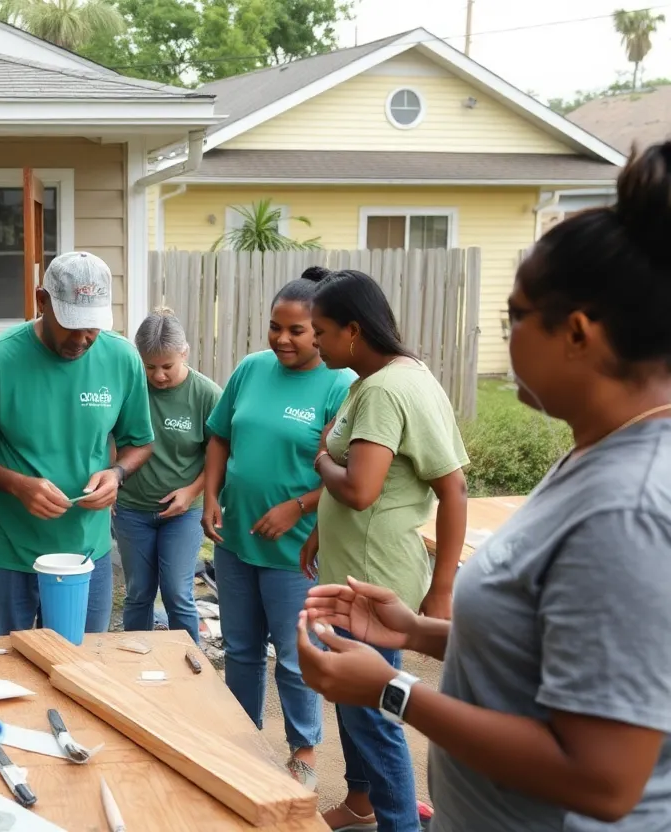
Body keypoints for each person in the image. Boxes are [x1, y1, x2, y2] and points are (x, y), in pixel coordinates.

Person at [299, 143, 671, 832]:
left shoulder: (629, 506)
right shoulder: (594, 459)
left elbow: (604, 776)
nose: (505, 337)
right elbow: (546, 648)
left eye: (515, 317)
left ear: (579, 334)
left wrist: (392, 689)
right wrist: (422, 631)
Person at [301, 269, 468, 832]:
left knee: (374, 710)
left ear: (353, 329)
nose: (316, 340)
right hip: (356, 565)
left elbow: (361, 487)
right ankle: (363, 804)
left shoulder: (383, 390)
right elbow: (392, 482)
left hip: (371, 582)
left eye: (321, 330)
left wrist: (320, 462)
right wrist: (322, 530)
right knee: (359, 703)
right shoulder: (393, 376)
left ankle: (400, 824)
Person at [0, 252, 154, 636]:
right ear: (42, 301)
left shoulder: (122, 359)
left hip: (85, 552)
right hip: (5, 552)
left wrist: (117, 473)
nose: (82, 338)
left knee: (79, 672)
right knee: (2, 674)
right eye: (70, 324)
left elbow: (139, 442)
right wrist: (17, 485)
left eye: (92, 326)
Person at [202, 268, 354, 790]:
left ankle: (305, 748)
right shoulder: (250, 369)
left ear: (322, 332)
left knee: (294, 656)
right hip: (237, 538)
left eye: (297, 330)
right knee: (241, 649)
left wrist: (298, 506)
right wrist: (209, 498)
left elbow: (356, 469)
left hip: (297, 549)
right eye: (275, 327)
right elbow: (220, 437)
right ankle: (243, 738)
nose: (283, 339)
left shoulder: (340, 382)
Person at [113, 308, 221, 644]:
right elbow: (107, 438)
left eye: (167, 366)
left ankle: (189, 666)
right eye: (150, 367)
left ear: (184, 353)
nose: (158, 375)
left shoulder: (206, 395)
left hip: (182, 512)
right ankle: (133, 664)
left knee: (177, 592)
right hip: (132, 508)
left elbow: (219, 456)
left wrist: (192, 492)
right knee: (138, 592)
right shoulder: (129, 389)